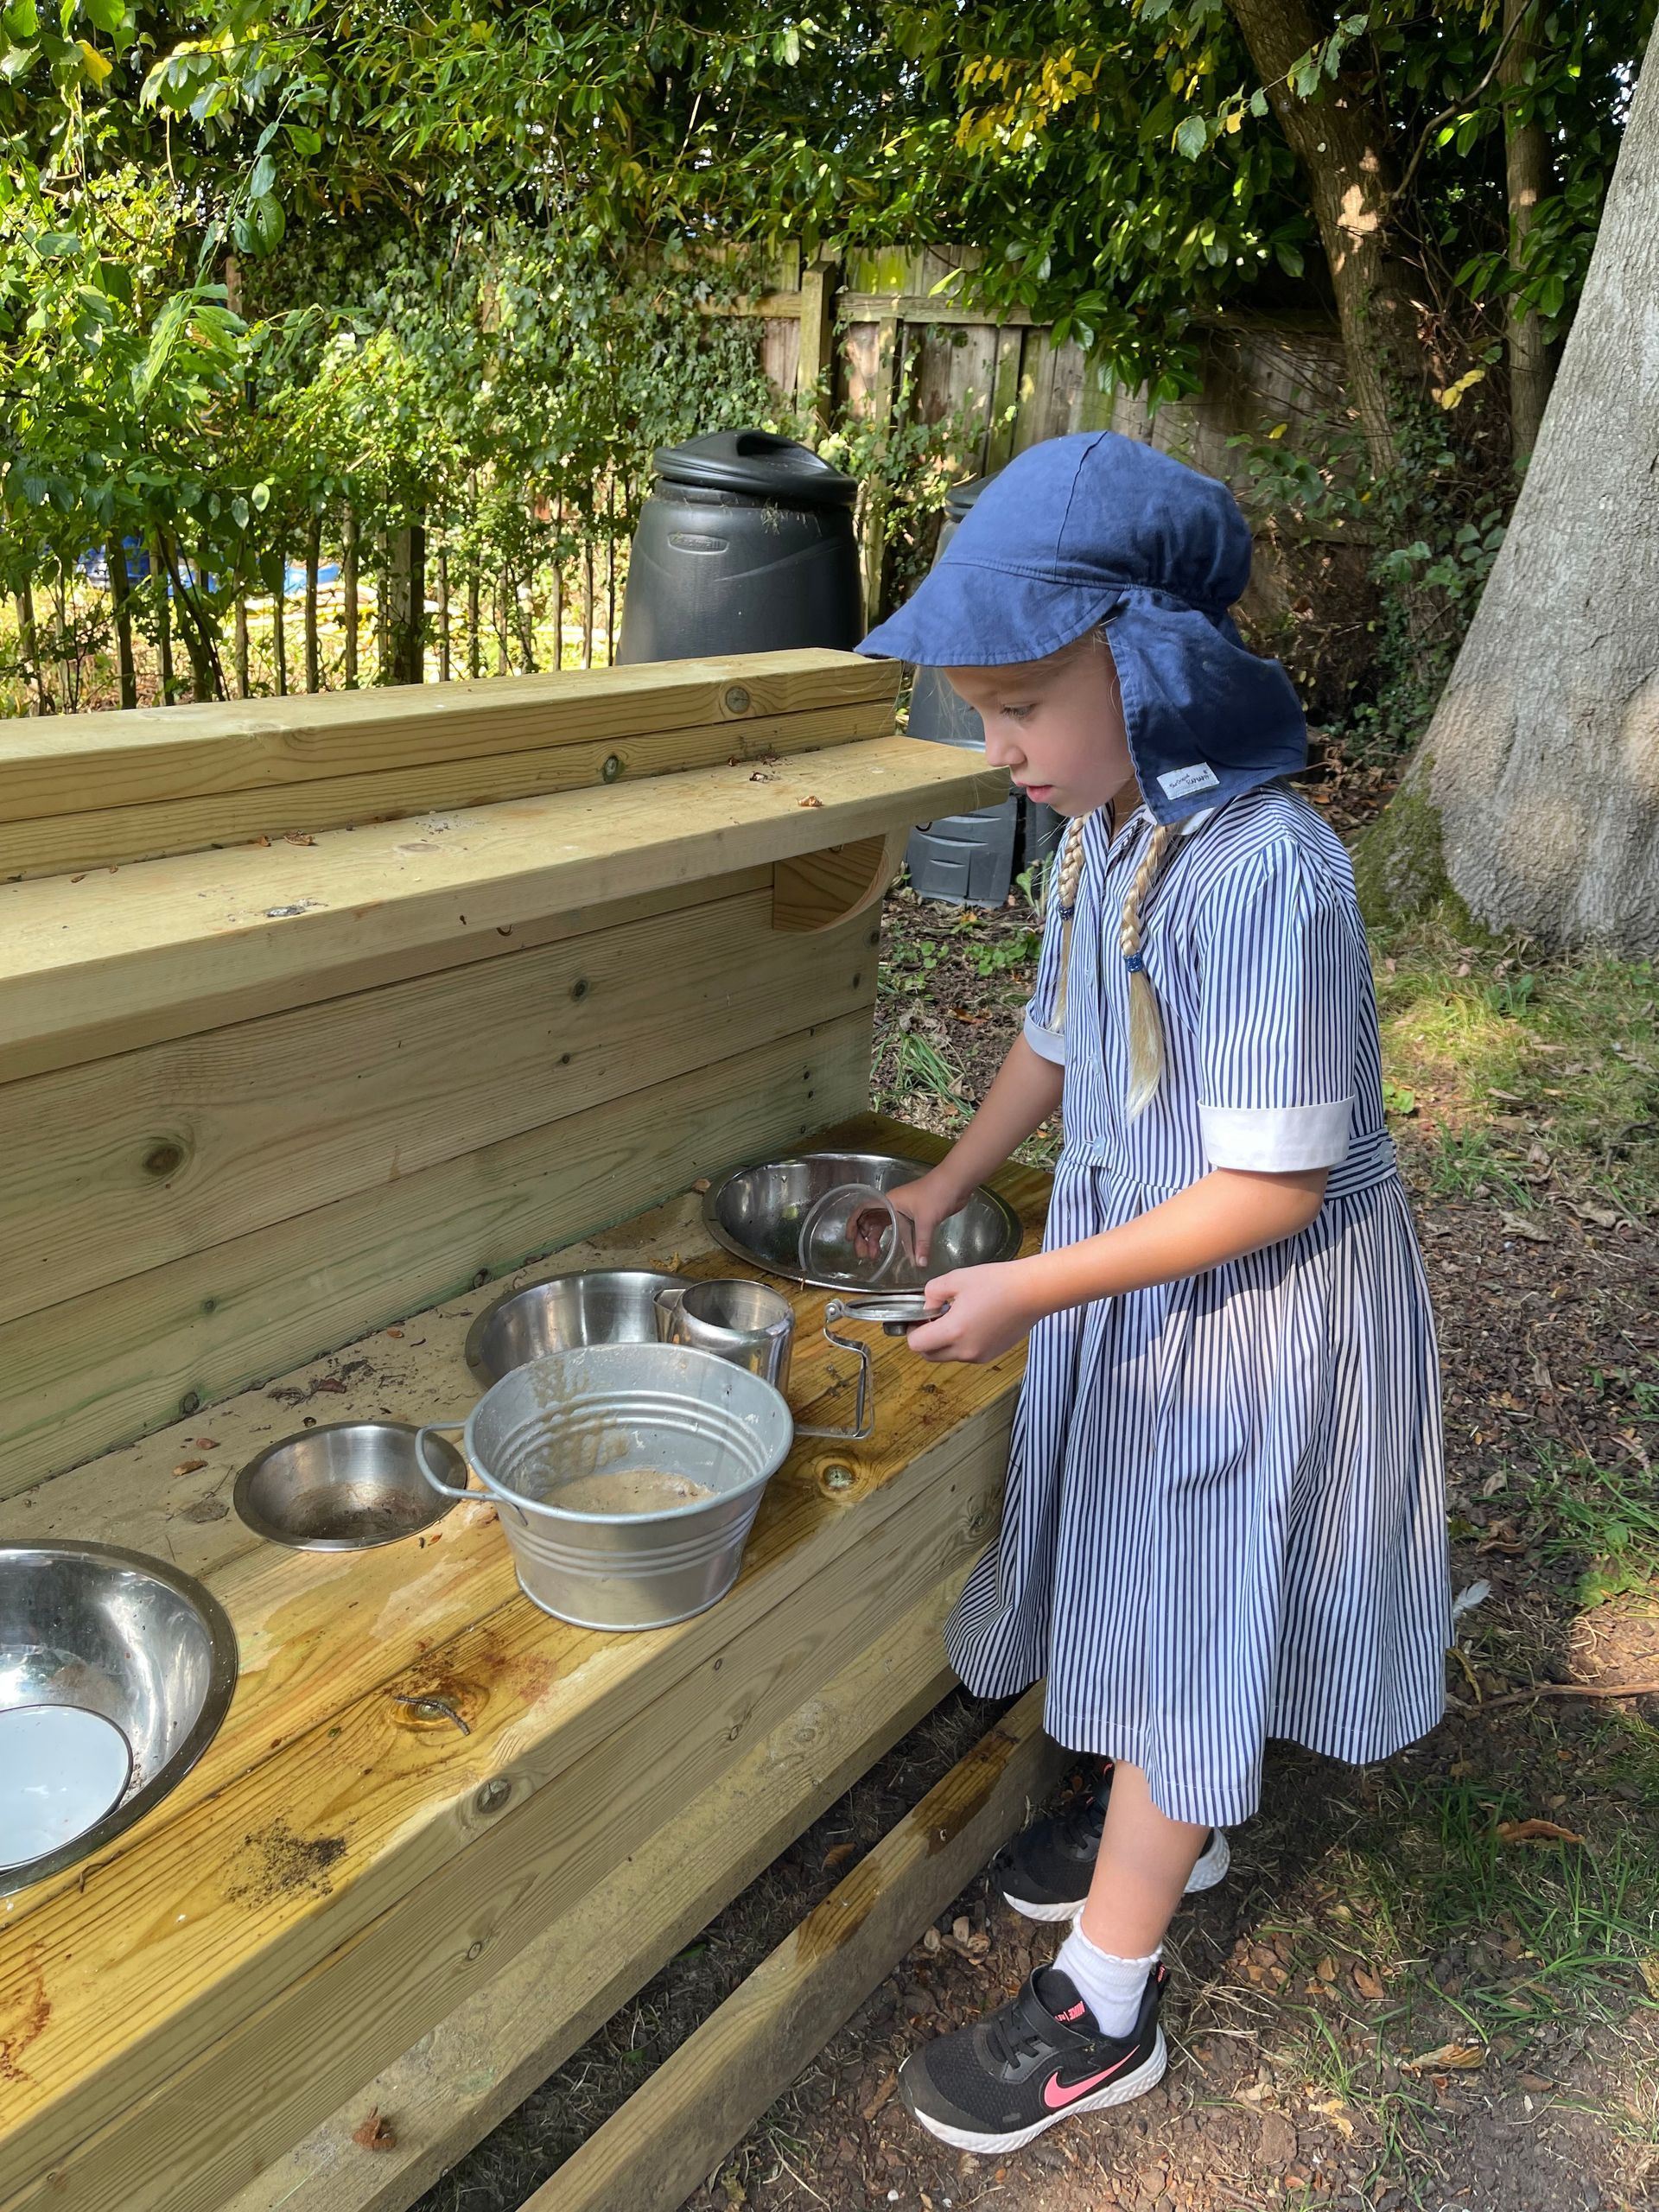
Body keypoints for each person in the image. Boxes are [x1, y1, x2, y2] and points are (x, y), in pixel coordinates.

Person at [855, 433, 1450, 2155]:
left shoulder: (1268, 872)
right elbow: (1058, 1024)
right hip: (1149, 1279)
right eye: (983, 705)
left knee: (1199, 1587)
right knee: (1143, 1552)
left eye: (1027, 699)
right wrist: (956, 1183)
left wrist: (1032, 1279)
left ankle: (1107, 2002)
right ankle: (1159, 1809)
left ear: (1158, 659)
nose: (998, 747)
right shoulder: (1108, 825)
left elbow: (1266, 1183)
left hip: (1257, 1310)